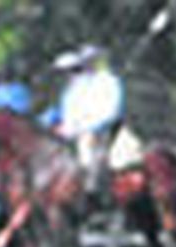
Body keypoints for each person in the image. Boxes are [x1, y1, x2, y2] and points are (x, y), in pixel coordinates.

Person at [44, 44, 124, 199]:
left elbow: (109, 113)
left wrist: (78, 129)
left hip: (100, 131)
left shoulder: (109, 81)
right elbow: (68, 113)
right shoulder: (73, 88)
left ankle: (93, 195)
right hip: (73, 132)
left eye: (92, 60)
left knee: (88, 159)